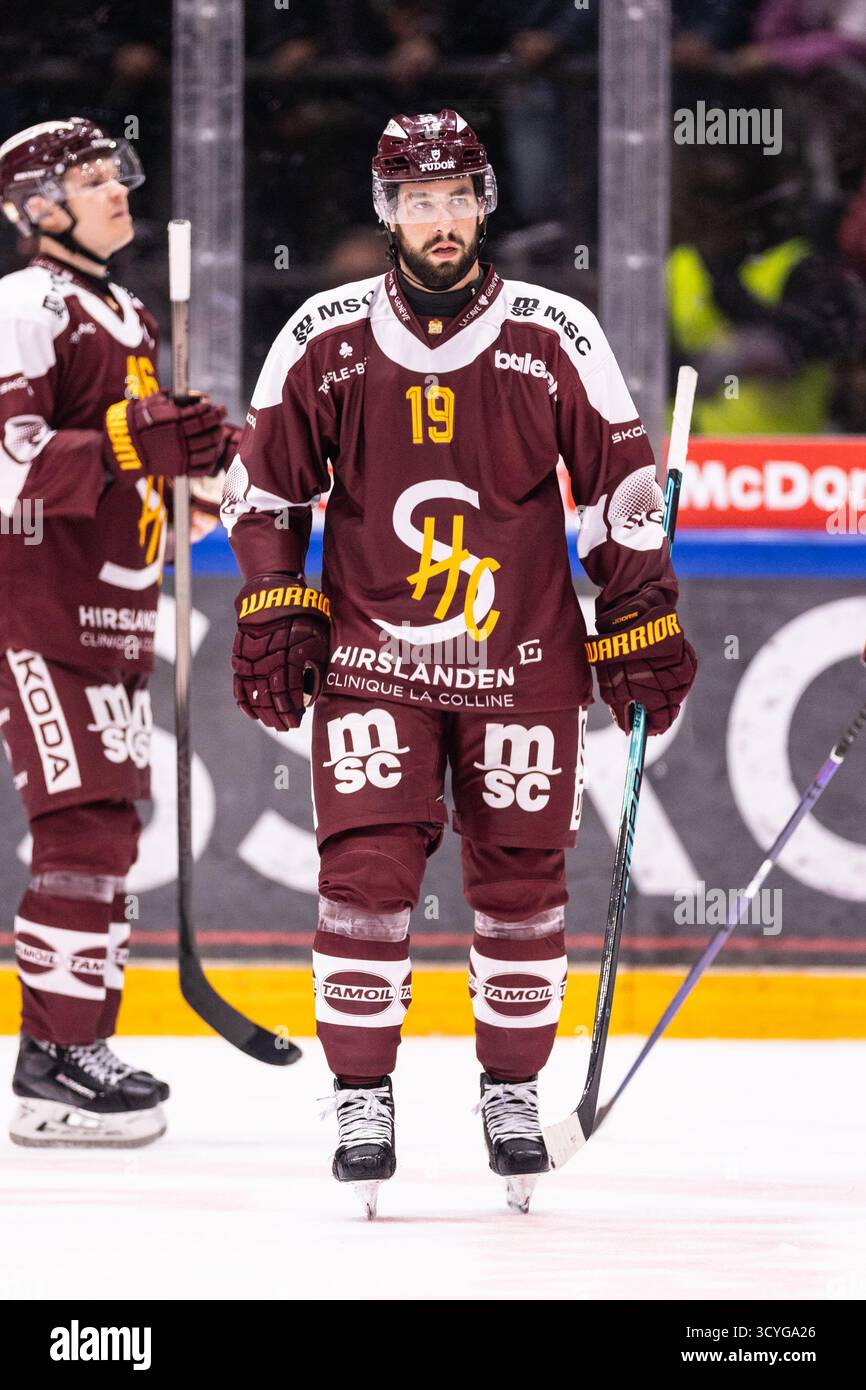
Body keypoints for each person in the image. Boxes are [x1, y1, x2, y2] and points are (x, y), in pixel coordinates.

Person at [224, 110, 697, 1213]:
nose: (441, 220)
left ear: (484, 201)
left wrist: (638, 620)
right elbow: (268, 491)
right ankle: (359, 1095)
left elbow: (622, 499)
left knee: (523, 887)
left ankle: (513, 1094)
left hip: (522, 659)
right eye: (418, 200)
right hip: (372, 662)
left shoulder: (553, 332)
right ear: (387, 210)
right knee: (365, 881)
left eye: (458, 197)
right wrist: (274, 604)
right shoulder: (323, 333)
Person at [0, 118, 238, 1147]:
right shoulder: (22, 305)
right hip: (36, 610)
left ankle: (71, 1046)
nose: (113, 190)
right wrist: (135, 438)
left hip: (113, 612)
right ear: (33, 210)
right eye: (89, 179)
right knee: (81, 824)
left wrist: (203, 473)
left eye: (115, 173)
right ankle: (52, 1060)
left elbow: (142, 481)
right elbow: (11, 463)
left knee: (106, 831)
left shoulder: (132, 316)